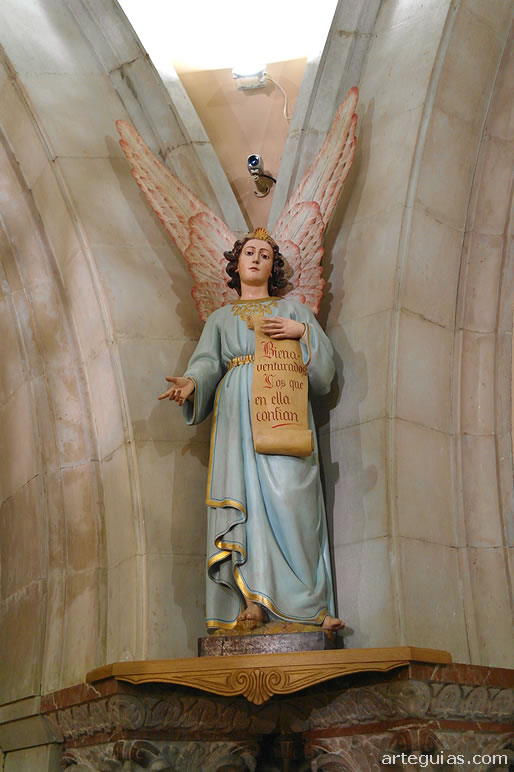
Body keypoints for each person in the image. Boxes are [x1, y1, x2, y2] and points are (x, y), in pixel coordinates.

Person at [158, 228, 343, 632]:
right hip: (238, 422)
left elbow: (325, 375)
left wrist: (303, 334)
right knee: (250, 507)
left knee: (295, 502)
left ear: (274, 267)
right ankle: (254, 600)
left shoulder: (293, 312)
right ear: (236, 264)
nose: (257, 259)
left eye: (265, 255)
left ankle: (312, 605)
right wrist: (191, 384)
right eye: (249, 253)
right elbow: (207, 363)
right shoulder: (221, 320)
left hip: (284, 411)